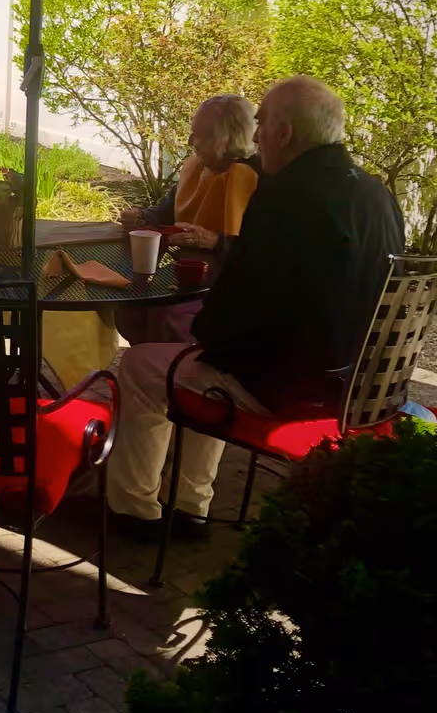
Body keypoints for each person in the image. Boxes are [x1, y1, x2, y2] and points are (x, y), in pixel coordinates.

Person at [106, 76, 405, 539]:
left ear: (284, 134)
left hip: (289, 389)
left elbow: (239, 304)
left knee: (147, 366)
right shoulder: (377, 195)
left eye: (261, 123)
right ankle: (190, 506)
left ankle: (133, 510)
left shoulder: (287, 196)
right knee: (204, 364)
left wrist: (208, 337)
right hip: (357, 388)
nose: (255, 135)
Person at [117, 95, 260, 345]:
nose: (190, 141)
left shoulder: (260, 180)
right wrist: (141, 217)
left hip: (229, 290)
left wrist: (214, 240)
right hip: (183, 277)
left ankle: (170, 372)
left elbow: (263, 251)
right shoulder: (196, 167)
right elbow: (165, 212)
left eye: (199, 135)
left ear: (225, 138)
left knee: (165, 314)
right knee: (130, 303)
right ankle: (150, 366)